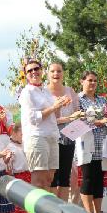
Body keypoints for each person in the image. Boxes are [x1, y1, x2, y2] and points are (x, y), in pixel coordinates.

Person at [18, 59, 70, 213]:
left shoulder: (46, 92)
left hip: (51, 136)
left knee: (49, 179)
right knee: (38, 180)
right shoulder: (27, 93)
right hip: (36, 137)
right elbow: (34, 118)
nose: (34, 72)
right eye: (30, 70)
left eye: (36, 69)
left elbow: (55, 115)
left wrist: (61, 105)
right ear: (26, 75)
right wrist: (54, 106)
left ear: (41, 70)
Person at [75, 71, 107, 213]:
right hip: (86, 144)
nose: (92, 83)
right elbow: (84, 119)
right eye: (89, 80)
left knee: (99, 180)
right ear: (82, 81)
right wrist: (101, 121)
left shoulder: (103, 100)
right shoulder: (78, 100)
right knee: (88, 178)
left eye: (95, 81)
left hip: (102, 143)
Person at [47, 63, 80, 201]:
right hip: (51, 136)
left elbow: (78, 111)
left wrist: (76, 116)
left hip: (68, 135)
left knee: (65, 175)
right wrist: (66, 116)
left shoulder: (70, 90)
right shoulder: (44, 92)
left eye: (59, 71)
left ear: (63, 73)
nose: (56, 74)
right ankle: (52, 210)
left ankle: (63, 210)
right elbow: (49, 119)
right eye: (53, 71)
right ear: (48, 73)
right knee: (53, 175)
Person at [6, 124, 33, 213]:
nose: (23, 135)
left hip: (27, 174)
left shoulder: (24, 144)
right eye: (22, 133)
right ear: (14, 133)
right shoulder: (10, 147)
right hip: (17, 175)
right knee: (15, 199)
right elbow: (8, 164)